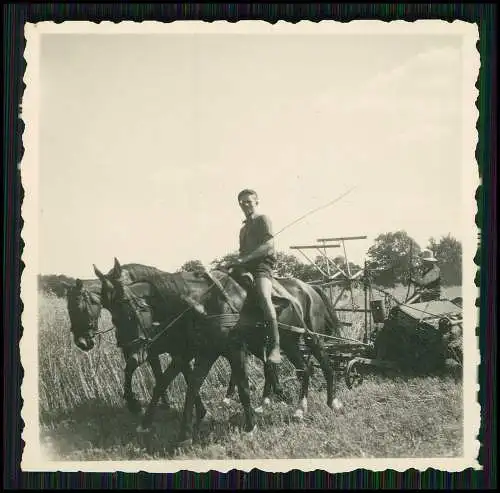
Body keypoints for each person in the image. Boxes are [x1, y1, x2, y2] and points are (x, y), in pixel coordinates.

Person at [230, 189, 282, 364]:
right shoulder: (243, 229)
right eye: (242, 202)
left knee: (264, 296)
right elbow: (242, 252)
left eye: (249, 201)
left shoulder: (263, 220)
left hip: (262, 266)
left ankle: (276, 346)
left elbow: (268, 246)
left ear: (256, 202)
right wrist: (237, 262)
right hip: (246, 267)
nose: (245, 204)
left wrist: (245, 258)